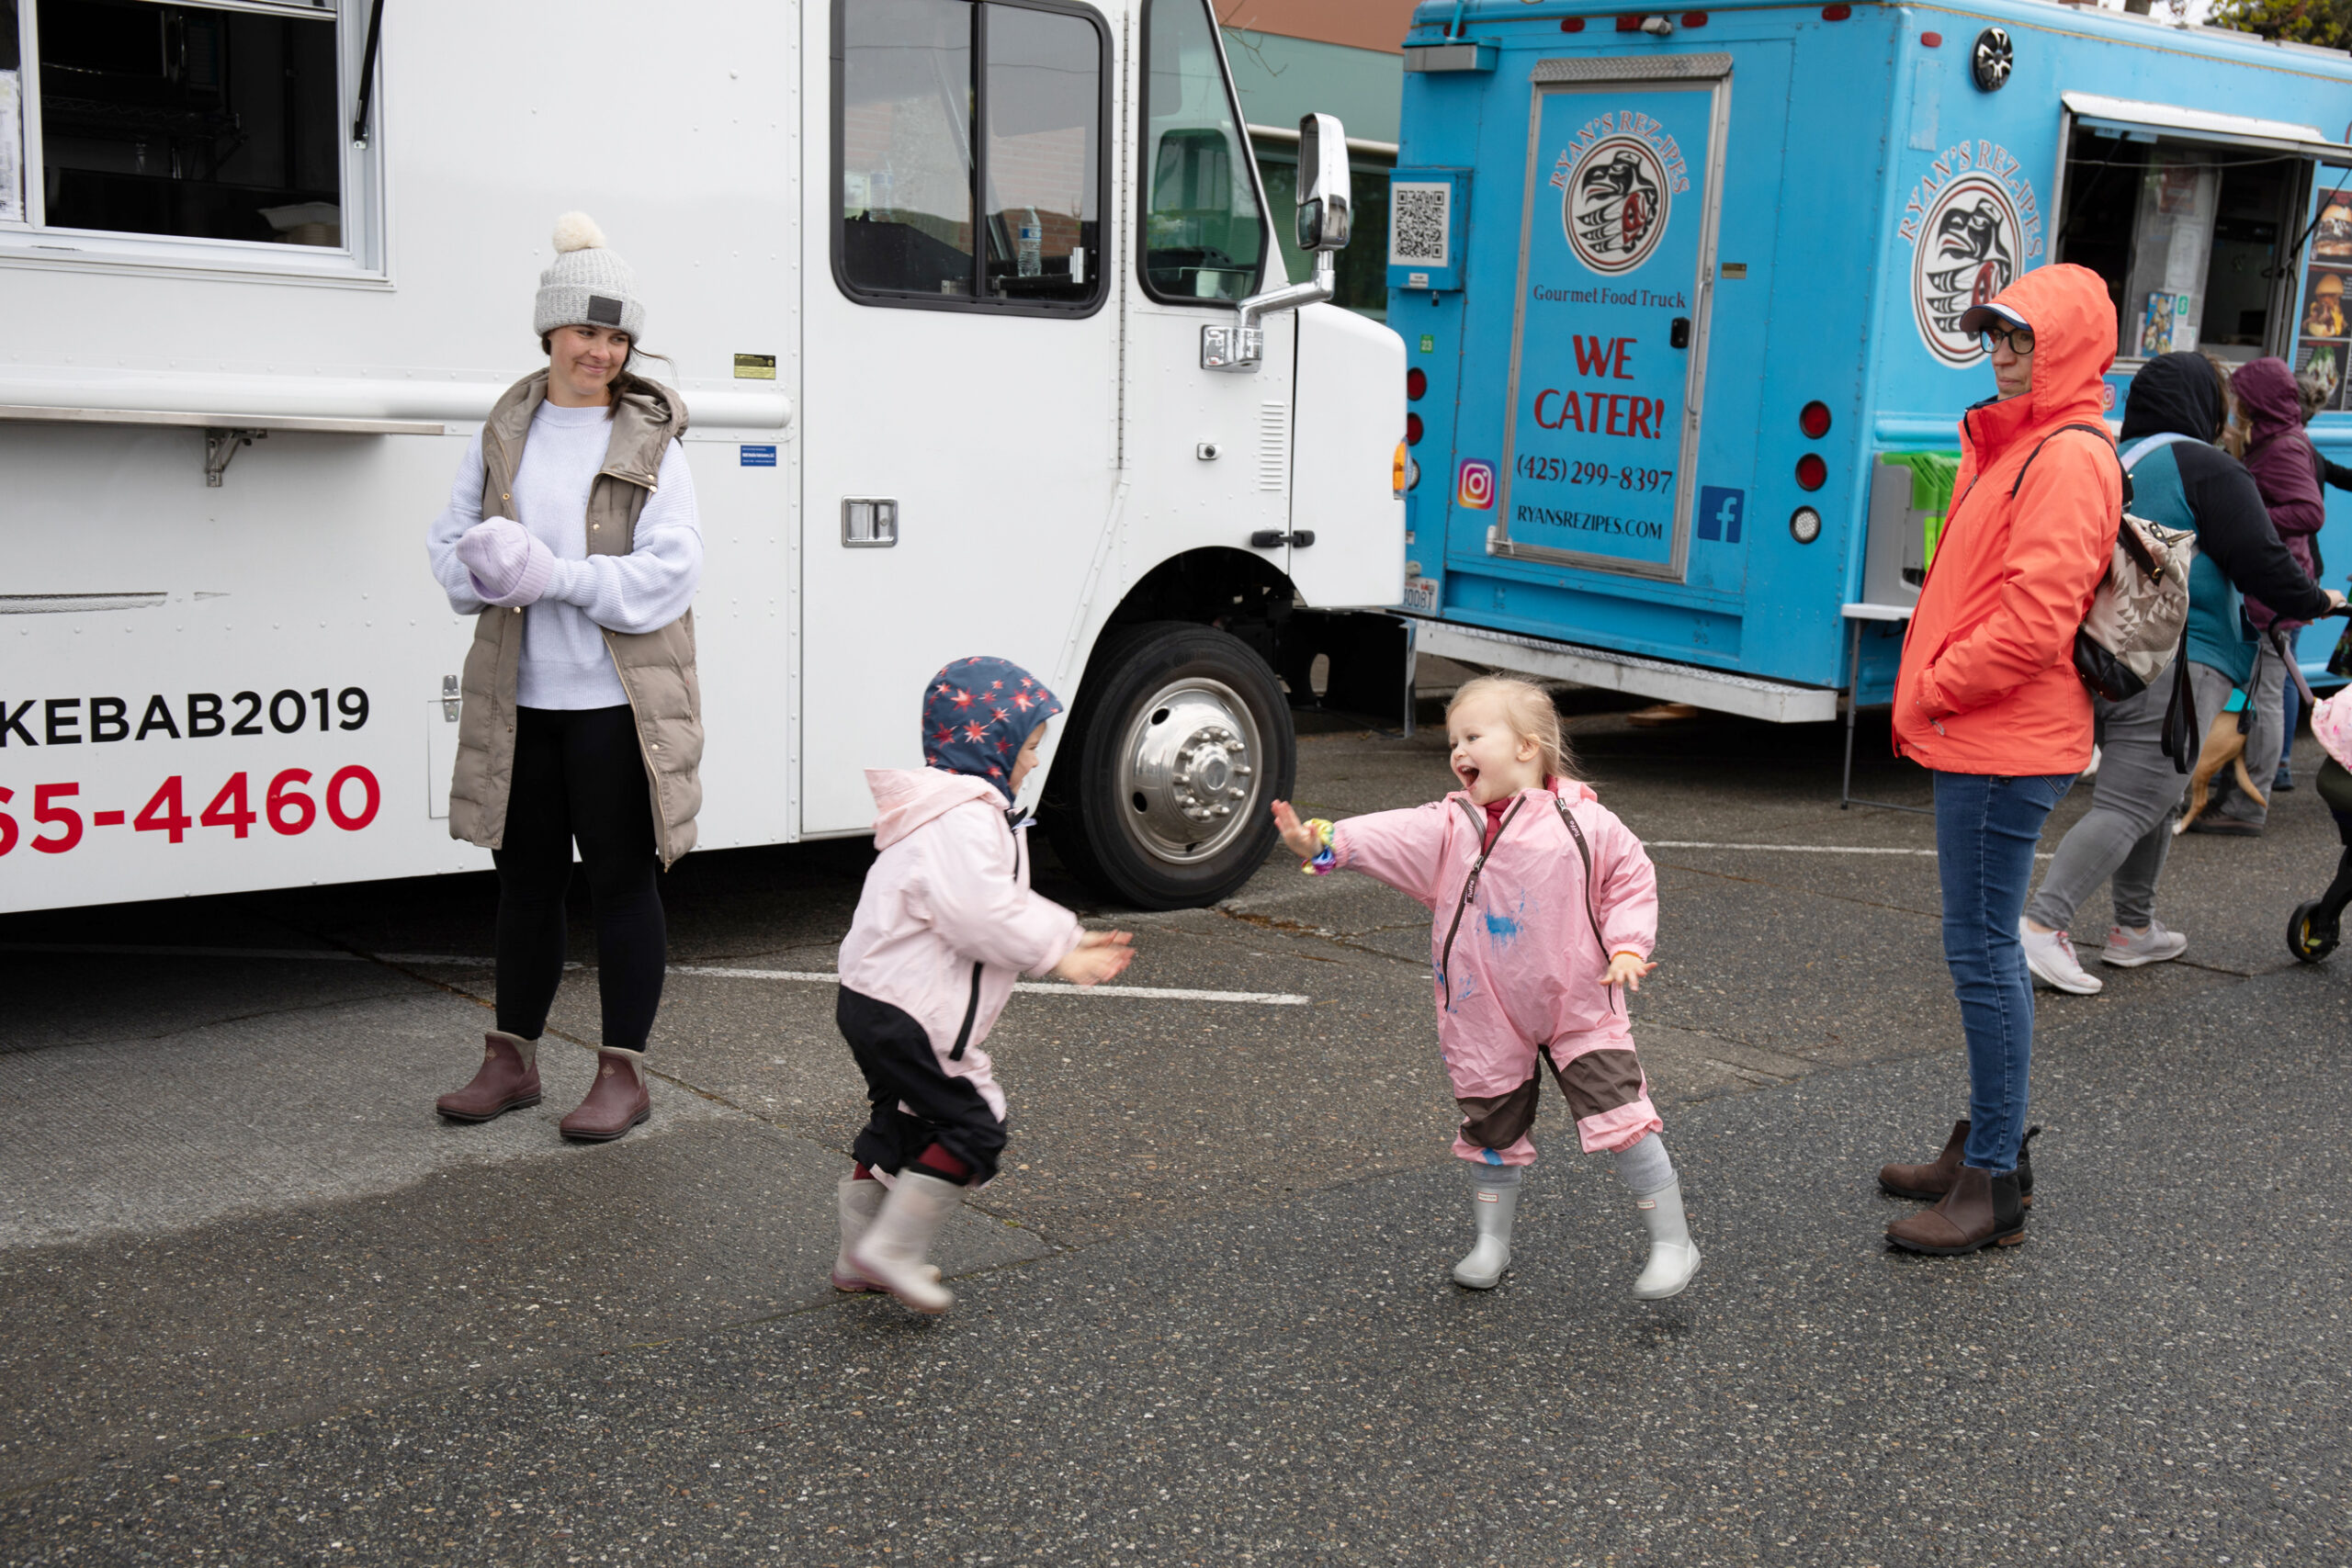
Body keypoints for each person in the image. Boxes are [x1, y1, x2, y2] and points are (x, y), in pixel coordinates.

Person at [1268, 674, 1701, 1300]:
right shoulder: (1450, 825)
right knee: (1489, 1125)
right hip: (1484, 1008)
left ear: (1526, 747)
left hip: (1578, 1001)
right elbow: (1383, 836)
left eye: (1473, 736)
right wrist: (1324, 841)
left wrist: (1630, 944)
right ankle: (1491, 1242)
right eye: (1453, 740)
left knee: (1624, 1115)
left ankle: (1672, 1242)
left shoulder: (1588, 823)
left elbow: (1631, 880)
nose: (1457, 750)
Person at [427, 213, 705, 1141]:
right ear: (549, 331)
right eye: (587, 330)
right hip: (521, 698)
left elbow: (672, 573)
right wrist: (481, 568)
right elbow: (447, 541)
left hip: (614, 706)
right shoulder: (504, 429)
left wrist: (555, 578)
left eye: (618, 335)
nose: (602, 351)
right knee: (525, 885)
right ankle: (510, 1060)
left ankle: (622, 1074)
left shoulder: (654, 440)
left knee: (622, 883)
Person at [1881, 265, 2120, 1257]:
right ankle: (1985, 1143)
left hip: (1999, 736)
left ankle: (1990, 1183)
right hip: (1994, 732)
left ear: (2062, 346)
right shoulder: (2018, 443)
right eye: (1993, 335)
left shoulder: (2063, 456)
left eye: (2020, 338)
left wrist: (1935, 684)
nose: (2002, 352)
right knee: (1980, 950)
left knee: (1983, 953)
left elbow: (2032, 623)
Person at [2016, 355, 2343, 996]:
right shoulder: (2206, 466)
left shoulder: (2116, 455)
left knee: (2156, 795)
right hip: (2179, 660)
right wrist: (2317, 600)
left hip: (2106, 653)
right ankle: (2040, 925)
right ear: (2204, 406)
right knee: (2134, 799)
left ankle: (2134, 928)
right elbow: (2264, 563)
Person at [832, 658, 1136, 1315]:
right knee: (976, 1122)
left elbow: (994, 899)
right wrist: (1063, 952)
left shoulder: (952, 808)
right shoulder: (964, 817)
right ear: (989, 743)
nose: (1031, 762)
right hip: (911, 1012)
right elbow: (980, 913)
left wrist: (1068, 938)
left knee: (905, 1118)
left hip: (873, 1000)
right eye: (1026, 746)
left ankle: (858, 1254)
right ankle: (891, 1250)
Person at [2230, 357, 2331, 809]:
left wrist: (2249, 521)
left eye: (2241, 400)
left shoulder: (2283, 447)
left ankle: (2253, 798)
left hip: (2277, 583)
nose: (2235, 407)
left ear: (2258, 403)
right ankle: (2247, 787)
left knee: (2269, 689)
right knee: (2261, 687)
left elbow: (2310, 512)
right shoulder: (2272, 440)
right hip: (2270, 581)